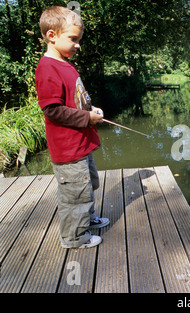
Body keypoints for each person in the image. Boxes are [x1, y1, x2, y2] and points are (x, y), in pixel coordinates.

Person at [35, 6, 109, 249]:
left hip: (81, 145)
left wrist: (91, 108)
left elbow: (76, 100)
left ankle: (86, 220)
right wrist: (87, 118)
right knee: (75, 196)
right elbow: (53, 110)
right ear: (52, 36)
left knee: (87, 186)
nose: (78, 45)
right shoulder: (47, 68)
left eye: (79, 40)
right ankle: (74, 238)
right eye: (73, 39)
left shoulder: (65, 64)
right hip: (68, 149)